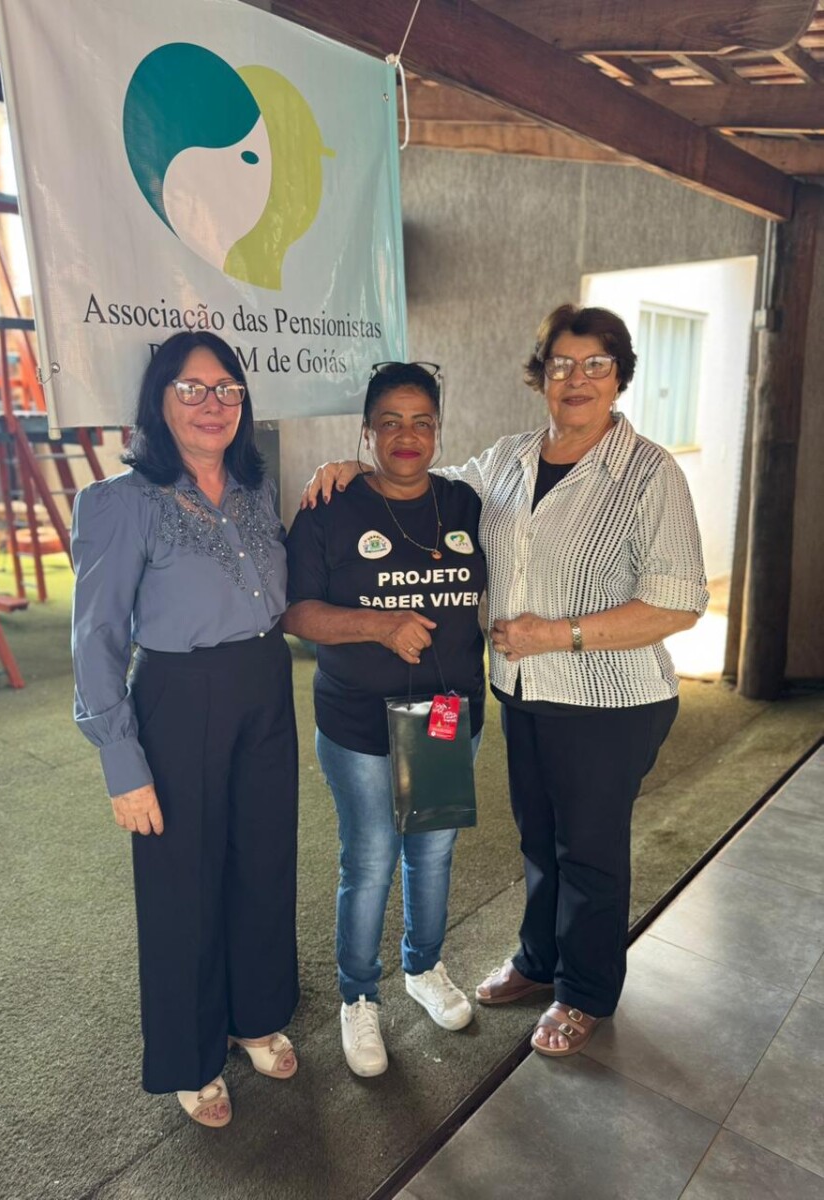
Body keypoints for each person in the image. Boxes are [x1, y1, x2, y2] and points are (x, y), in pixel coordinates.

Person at [301, 306, 708, 1058]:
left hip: (608, 700)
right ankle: (538, 959)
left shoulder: (649, 473)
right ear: (541, 376)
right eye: (561, 365)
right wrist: (354, 468)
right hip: (523, 695)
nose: (576, 379)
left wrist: (553, 634)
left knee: (589, 850)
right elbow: (422, 477)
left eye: (595, 364)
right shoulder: (511, 459)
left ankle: (583, 991)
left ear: (619, 376)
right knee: (539, 839)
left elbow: (680, 603)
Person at [71, 331, 299, 1127]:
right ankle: (191, 1055)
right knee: (183, 887)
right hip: (180, 695)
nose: (213, 404)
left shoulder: (255, 490)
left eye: (227, 388)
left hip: (266, 683)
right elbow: (96, 639)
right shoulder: (121, 502)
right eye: (192, 388)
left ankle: (254, 1015)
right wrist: (122, 763)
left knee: (263, 861)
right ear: (159, 401)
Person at [282, 361, 487, 1076]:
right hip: (358, 722)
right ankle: (359, 996)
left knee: (431, 852)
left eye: (422, 421)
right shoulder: (329, 506)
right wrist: (378, 626)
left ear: (438, 430)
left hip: (444, 715)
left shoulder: (465, 503)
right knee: (369, 858)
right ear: (366, 431)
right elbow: (295, 611)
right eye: (391, 421)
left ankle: (423, 968)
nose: (408, 435)